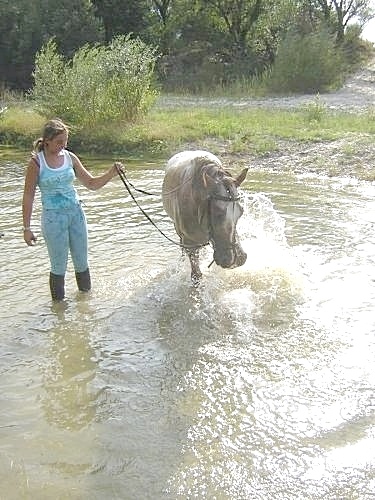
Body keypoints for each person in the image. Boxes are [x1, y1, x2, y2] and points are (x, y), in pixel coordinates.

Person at [22, 118, 124, 301]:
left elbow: (91, 184)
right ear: (47, 141)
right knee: (58, 266)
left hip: (76, 214)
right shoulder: (37, 163)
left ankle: (85, 305)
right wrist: (26, 228)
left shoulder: (70, 158)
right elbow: (28, 196)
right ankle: (59, 312)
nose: (63, 145)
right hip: (53, 219)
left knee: (82, 262)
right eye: (59, 142)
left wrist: (111, 172)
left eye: (65, 141)